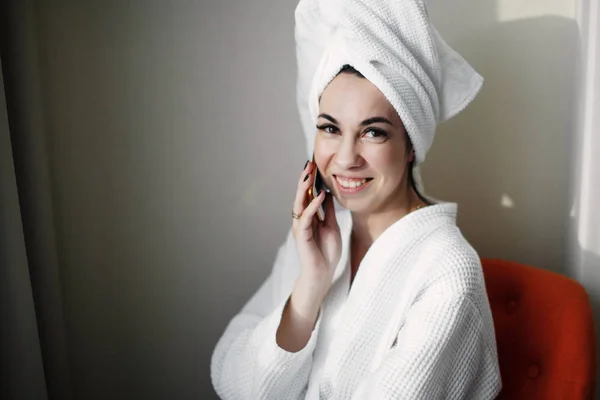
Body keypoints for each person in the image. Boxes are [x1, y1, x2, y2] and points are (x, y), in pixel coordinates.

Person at [211, 0, 502, 398]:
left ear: (411, 144)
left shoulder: (447, 271)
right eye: (330, 128)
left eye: (373, 132)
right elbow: (235, 382)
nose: (345, 158)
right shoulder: (317, 238)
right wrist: (311, 285)